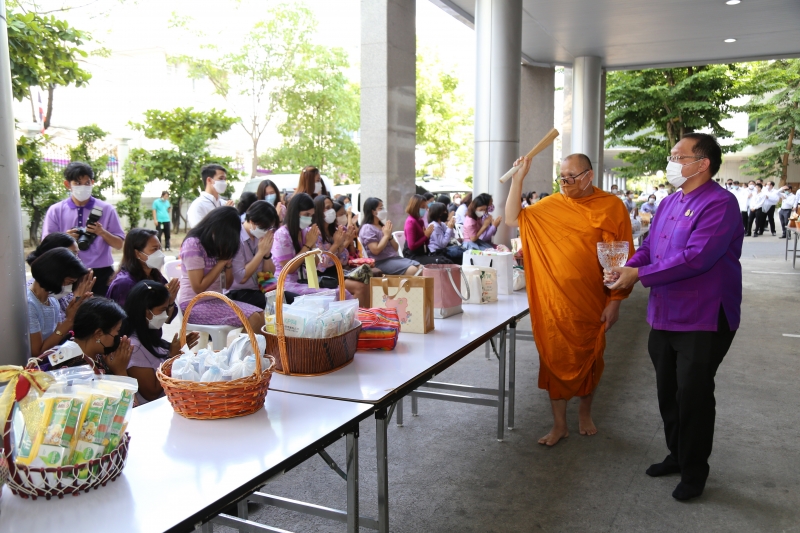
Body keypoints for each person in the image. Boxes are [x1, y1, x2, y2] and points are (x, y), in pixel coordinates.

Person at [608, 133, 743, 502]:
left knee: (694, 395)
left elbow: (696, 257)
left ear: (702, 164)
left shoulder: (720, 204)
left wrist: (640, 276)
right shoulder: (669, 202)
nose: (671, 162)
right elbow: (651, 247)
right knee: (668, 390)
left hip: (703, 316)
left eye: (678, 156)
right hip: (664, 313)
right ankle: (677, 455)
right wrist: (627, 267)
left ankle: (695, 470)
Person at [504, 152, 633, 447]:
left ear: (589, 176)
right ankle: (559, 424)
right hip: (553, 302)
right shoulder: (551, 205)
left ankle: (585, 413)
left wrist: (616, 301)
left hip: (591, 299)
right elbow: (513, 218)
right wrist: (518, 178)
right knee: (553, 359)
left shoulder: (611, 207)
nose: (565, 182)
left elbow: (621, 259)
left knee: (590, 358)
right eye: (561, 177)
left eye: (571, 177)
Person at [42, 161, 125, 298]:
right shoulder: (56, 210)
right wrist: (64, 238)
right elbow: (45, 245)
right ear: (67, 185)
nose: (83, 187)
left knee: (101, 315)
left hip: (101, 272)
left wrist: (102, 232)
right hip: (66, 272)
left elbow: (119, 244)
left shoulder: (106, 209)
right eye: (77, 183)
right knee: (68, 314)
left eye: (87, 183)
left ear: (92, 182)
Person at [178, 206, 265, 332]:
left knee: (261, 315)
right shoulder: (193, 244)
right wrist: (221, 262)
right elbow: (198, 287)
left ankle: (246, 351)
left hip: (217, 300)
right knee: (253, 318)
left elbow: (227, 285)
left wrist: (228, 264)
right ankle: (243, 351)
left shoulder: (217, 244)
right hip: (193, 305)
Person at [122, 281, 200, 405]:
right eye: (163, 310)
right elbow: (151, 393)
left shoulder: (149, 335)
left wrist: (181, 350)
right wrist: (172, 357)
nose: (166, 315)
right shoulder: (134, 347)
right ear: (147, 312)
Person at [272, 193, 351, 298]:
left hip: (306, 281)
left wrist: (313, 245)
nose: (309, 219)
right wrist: (308, 245)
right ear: (295, 213)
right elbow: (289, 269)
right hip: (286, 284)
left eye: (311, 215)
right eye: (306, 215)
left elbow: (314, 265)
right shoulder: (282, 234)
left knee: (343, 292)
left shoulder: (307, 232)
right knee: (336, 295)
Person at [36, 297, 133, 376]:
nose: (119, 337)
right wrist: (120, 371)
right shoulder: (82, 372)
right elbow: (128, 400)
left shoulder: (70, 346)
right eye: (117, 331)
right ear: (98, 334)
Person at [27, 248, 95, 358]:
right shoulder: (30, 304)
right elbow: (37, 352)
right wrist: (68, 321)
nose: (70, 286)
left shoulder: (53, 301)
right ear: (54, 275)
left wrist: (77, 304)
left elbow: (59, 338)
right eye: (69, 282)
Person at [310, 195, 367, 306]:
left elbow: (344, 260)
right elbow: (321, 266)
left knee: (367, 282)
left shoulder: (335, 230)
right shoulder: (315, 233)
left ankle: (366, 317)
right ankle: (355, 319)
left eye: (331, 207)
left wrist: (344, 244)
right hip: (323, 276)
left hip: (337, 271)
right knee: (359, 287)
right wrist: (336, 244)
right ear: (318, 211)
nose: (331, 210)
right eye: (327, 207)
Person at [107, 228, 178, 311]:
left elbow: (165, 319)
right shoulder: (124, 284)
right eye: (154, 249)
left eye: (159, 249)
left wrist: (170, 301)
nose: (160, 254)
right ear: (137, 253)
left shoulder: (155, 276)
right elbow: (126, 321)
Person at [226, 200, 280, 308]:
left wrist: (266, 255)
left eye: (269, 228)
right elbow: (241, 278)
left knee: (291, 300)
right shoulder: (236, 238)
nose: (266, 231)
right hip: (237, 292)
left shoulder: (260, 237)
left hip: (261, 288)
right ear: (251, 221)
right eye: (264, 228)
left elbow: (269, 274)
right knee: (277, 306)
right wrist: (260, 253)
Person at [359, 197, 420, 275]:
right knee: (413, 270)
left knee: (421, 268)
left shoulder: (382, 226)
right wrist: (386, 236)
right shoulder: (367, 228)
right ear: (373, 212)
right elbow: (376, 251)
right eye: (381, 208)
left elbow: (396, 248)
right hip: (380, 262)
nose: (384, 210)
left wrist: (390, 236)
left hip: (394, 259)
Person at [26, 232, 80, 317]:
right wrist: (78, 298)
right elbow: (58, 328)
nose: (78, 260)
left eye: (77, 254)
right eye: (72, 255)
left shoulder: (65, 285)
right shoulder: (35, 293)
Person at [402, 194, 453, 265]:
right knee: (443, 262)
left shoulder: (420, 221)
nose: (425, 210)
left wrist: (427, 237)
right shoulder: (411, 222)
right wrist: (426, 236)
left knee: (446, 259)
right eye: (422, 207)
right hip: (412, 255)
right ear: (415, 207)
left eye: (425, 207)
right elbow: (412, 246)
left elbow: (426, 242)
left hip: (422, 252)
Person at [187, 164, 234, 228]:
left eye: (224, 179)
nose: (224, 182)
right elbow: (200, 232)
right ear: (209, 180)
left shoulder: (224, 203)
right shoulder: (198, 205)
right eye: (221, 178)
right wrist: (223, 213)